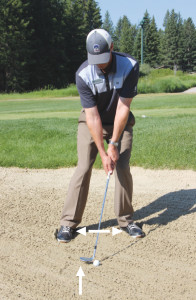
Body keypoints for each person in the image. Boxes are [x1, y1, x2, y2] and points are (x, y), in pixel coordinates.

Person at [57, 28, 145, 242]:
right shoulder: (83, 74)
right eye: (95, 59)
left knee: (122, 166)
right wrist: (103, 153)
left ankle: (126, 220)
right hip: (93, 121)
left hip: (120, 120)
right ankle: (68, 223)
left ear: (112, 48)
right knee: (84, 166)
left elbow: (123, 108)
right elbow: (93, 117)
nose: (100, 63)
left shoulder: (129, 66)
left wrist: (113, 143)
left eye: (103, 58)